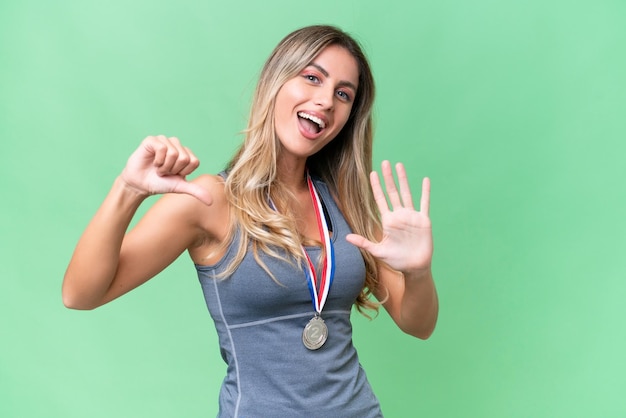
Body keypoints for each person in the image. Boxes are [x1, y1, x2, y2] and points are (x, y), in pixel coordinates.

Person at [63, 25, 438, 417]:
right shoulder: (210, 201)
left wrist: (418, 271)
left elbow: (419, 324)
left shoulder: (344, 204)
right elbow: (80, 294)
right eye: (312, 78)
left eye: (343, 94)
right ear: (275, 82)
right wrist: (128, 189)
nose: (326, 101)